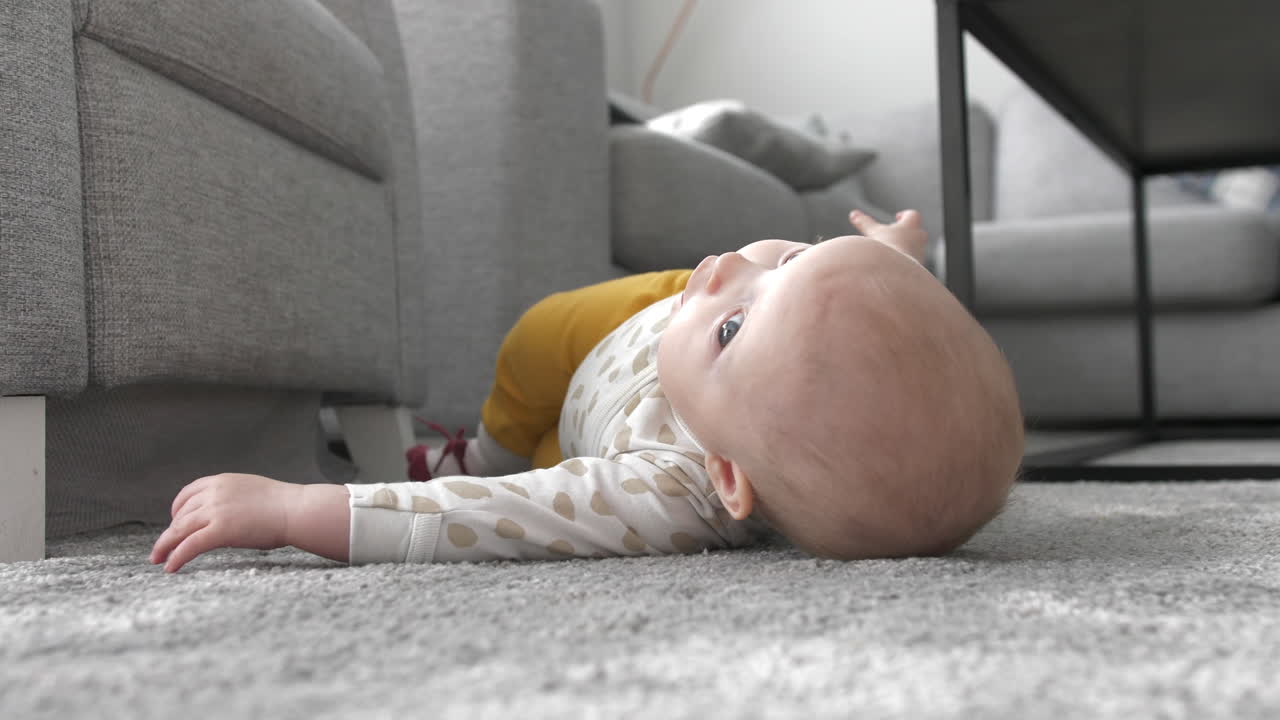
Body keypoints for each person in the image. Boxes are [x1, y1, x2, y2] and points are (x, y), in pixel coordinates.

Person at [150, 209, 1024, 572]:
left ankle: (479, 451)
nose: (731, 265)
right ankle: (485, 433)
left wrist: (291, 511)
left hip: (583, 435)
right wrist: (899, 253)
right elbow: (862, 309)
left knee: (526, 463)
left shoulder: (665, 497)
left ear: (727, 477)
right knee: (541, 332)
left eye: (737, 326)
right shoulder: (750, 326)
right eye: (789, 257)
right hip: (638, 320)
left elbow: (488, 518)